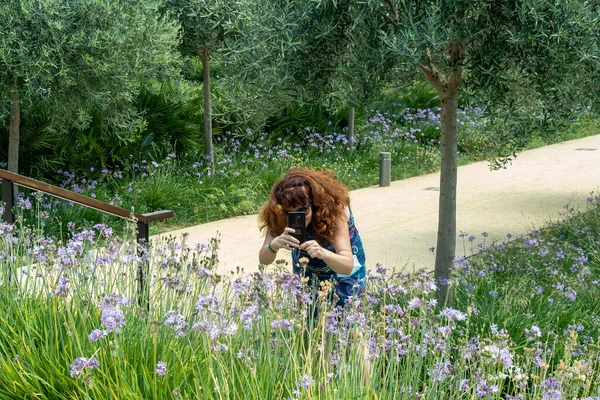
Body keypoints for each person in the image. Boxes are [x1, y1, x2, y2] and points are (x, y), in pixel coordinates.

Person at [258, 168, 366, 307]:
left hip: (343, 273)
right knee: (308, 320)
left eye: (303, 210)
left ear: (314, 203)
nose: (299, 217)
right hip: (307, 270)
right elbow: (264, 260)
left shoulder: (334, 210)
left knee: (344, 319)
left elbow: (347, 265)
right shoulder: (278, 215)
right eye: (290, 212)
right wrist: (273, 245)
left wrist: (323, 253)